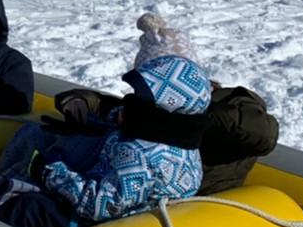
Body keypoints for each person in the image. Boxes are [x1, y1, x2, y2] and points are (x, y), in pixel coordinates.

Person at [0, 13, 214, 227]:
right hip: (121, 209)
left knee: (29, 210)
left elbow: (100, 205)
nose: (133, 100)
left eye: (142, 97)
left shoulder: (143, 156)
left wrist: (49, 172)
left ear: (162, 106)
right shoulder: (179, 139)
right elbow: (123, 122)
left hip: (96, 223)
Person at [47, 14, 279, 195]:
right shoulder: (149, 108)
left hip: (199, 201)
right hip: (149, 191)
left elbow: (265, 136)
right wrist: (77, 100)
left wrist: (189, 112)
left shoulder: (233, 102)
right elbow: (110, 105)